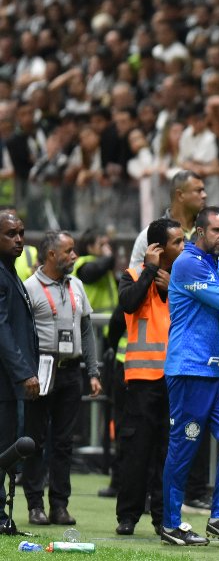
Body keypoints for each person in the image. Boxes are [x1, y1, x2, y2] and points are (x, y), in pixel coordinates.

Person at [161, 206, 219, 546]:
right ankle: (171, 523)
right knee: (184, 447)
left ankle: (218, 517)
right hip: (190, 370)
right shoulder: (188, 263)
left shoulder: (218, 265)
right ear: (200, 231)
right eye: (218, 230)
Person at [22, 230, 102, 526]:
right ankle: (34, 505)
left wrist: (93, 372)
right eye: (69, 251)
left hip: (71, 372)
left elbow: (86, 332)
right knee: (35, 441)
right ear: (52, 254)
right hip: (40, 372)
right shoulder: (29, 288)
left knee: (64, 443)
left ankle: (59, 506)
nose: (74, 256)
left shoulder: (77, 285)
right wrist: (25, 372)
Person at [114, 218, 185, 536]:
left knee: (167, 451)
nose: (184, 247)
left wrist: (172, 289)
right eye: (178, 242)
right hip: (142, 378)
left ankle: (162, 517)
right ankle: (127, 517)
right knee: (137, 450)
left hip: (175, 377)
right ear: (157, 248)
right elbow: (128, 304)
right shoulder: (131, 276)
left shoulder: (183, 281)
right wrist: (148, 270)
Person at [0, 209, 38, 532]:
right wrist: (24, 372)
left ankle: (2, 517)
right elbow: (1, 331)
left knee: (7, 448)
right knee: (2, 451)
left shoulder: (10, 273)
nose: (19, 240)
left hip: (8, 385)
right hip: (4, 383)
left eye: (21, 233)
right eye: (11, 234)